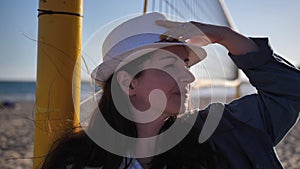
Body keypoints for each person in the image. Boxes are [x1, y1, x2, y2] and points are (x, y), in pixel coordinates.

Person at [41, 12, 300, 169]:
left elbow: (290, 91)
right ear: (128, 83)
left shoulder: (220, 134)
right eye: (169, 65)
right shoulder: (76, 159)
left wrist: (225, 36)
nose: (188, 76)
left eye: (186, 65)